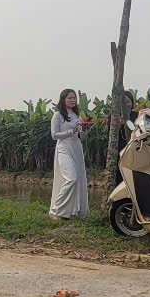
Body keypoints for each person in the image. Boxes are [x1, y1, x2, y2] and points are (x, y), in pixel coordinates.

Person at [49, 88, 90, 219]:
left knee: (78, 180)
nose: (73, 100)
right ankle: (56, 210)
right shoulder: (58, 115)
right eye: (70, 98)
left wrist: (84, 129)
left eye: (74, 98)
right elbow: (54, 135)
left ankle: (73, 211)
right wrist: (70, 131)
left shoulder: (76, 115)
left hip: (76, 148)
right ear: (63, 99)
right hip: (64, 149)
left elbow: (81, 137)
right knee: (71, 178)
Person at [113, 92, 138, 186]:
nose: (125, 105)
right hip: (120, 152)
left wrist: (127, 122)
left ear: (132, 103)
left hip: (135, 151)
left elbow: (137, 131)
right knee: (120, 177)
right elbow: (110, 135)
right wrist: (119, 125)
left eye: (127, 102)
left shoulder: (137, 115)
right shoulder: (114, 117)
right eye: (122, 102)